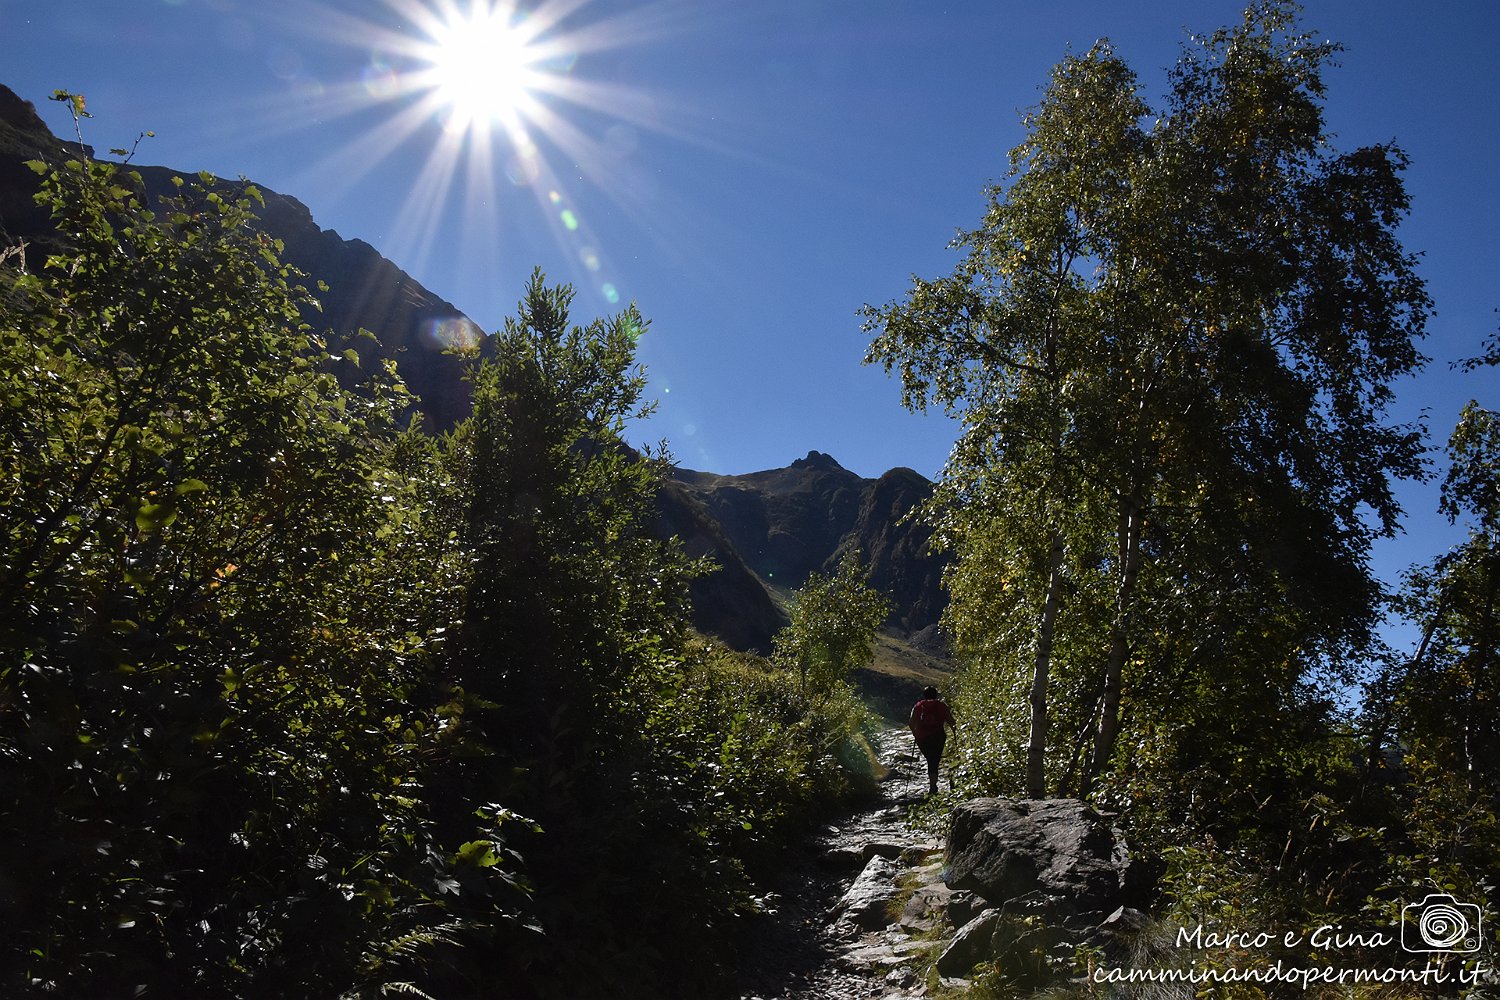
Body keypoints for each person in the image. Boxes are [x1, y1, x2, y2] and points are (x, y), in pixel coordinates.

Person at [909, 685, 956, 795]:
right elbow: (951, 721)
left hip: (923, 738)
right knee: (935, 759)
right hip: (938, 736)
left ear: (924, 695)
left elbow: (911, 722)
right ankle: (933, 785)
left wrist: (915, 734)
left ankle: (933, 786)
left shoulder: (918, 706)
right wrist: (954, 729)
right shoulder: (941, 706)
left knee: (930, 759)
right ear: (936, 695)